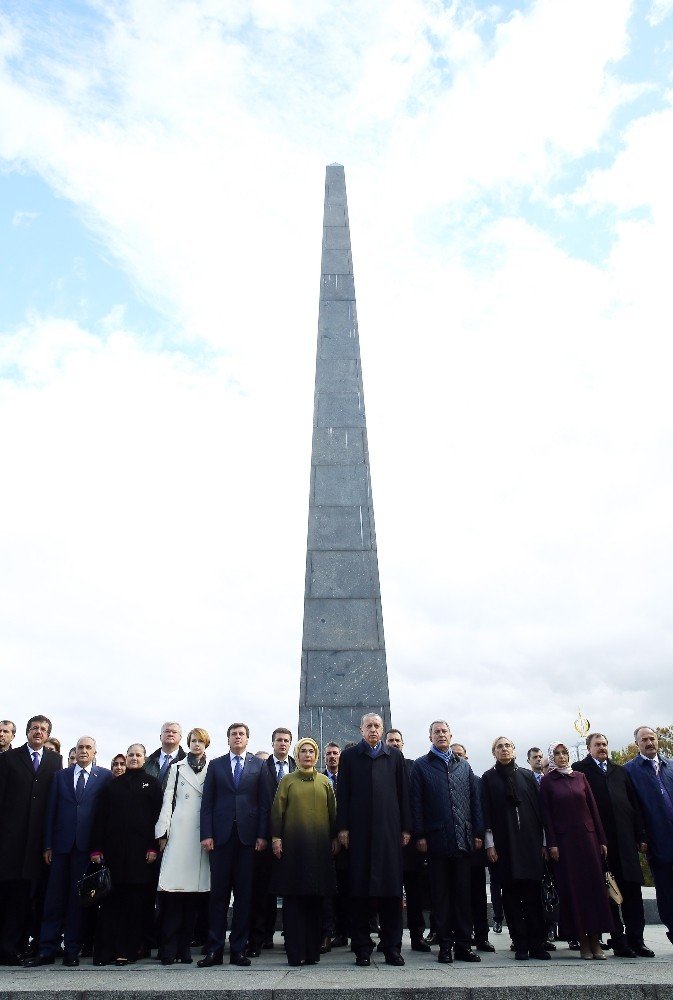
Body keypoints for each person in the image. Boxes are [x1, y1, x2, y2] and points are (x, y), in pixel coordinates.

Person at [25, 736, 111, 967]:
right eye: (80, 747)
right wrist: (47, 845)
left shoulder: (104, 777)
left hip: (85, 849)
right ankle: (46, 949)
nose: (84, 751)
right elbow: (50, 811)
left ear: (95, 752)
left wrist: (99, 847)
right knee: (53, 899)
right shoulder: (60, 776)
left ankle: (72, 949)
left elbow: (104, 816)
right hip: (60, 848)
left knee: (77, 901)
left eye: (88, 748)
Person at [336, 712, 411, 967]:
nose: (373, 730)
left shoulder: (395, 757)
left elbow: (404, 795)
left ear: (383, 729)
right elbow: (343, 794)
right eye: (368, 726)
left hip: (389, 834)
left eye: (377, 726)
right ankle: (362, 948)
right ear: (361, 729)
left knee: (391, 894)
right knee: (359, 892)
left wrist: (406, 829)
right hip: (360, 834)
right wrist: (343, 827)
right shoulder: (349, 757)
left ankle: (392, 948)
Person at [198, 722, 274, 968]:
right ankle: (214, 950)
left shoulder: (259, 765)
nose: (237, 737)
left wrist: (263, 835)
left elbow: (264, 805)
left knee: (244, 897)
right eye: (233, 734)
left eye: (241, 734)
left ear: (247, 739)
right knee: (218, 897)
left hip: (248, 841)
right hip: (220, 839)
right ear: (228, 739)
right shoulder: (216, 764)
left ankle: (239, 950)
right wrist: (206, 834)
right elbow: (207, 802)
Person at [410, 720, 483, 965]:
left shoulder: (464, 766)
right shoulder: (421, 766)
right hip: (436, 840)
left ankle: (464, 945)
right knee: (440, 898)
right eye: (436, 732)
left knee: (463, 896)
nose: (441, 735)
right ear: (429, 736)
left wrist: (478, 833)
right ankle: (445, 946)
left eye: (444, 731)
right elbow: (416, 803)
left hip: (462, 839)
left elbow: (474, 802)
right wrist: (419, 834)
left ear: (451, 735)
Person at [573, 732, 652, 958]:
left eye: (605, 744)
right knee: (609, 893)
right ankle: (618, 939)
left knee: (632, 893)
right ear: (589, 748)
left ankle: (637, 939)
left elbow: (633, 805)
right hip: (601, 844)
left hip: (626, 842)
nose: (602, 748)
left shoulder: (620, 771)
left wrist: (641, 836)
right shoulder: (581, 771)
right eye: (597, 745)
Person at [539, 741, 613, 960]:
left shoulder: (580, 777)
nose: (561, 757)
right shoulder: (547, 781)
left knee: (594, 889)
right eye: (557, 754)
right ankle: (582, 940)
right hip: (565, 843)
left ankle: (596, 939)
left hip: (588, 839)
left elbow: (593, 809)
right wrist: (551, 843)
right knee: (574, 890)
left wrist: (601, 838)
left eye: (564, 753)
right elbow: (546, 816)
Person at [91, 744, 163, 965]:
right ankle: (105, 952)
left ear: (144, 759)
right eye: (130, 754)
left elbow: (157, 819)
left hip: (140, 856)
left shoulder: (152, 784)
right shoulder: (112, 786)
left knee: (134, 904)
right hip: (113, 854)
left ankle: (128, 951)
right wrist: (96, 849)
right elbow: (100, 819)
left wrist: (153, 847)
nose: (133, 758)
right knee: (111, 903)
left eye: (138, 755)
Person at [0, 715, 62, 965]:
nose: (39, 732)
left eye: (43, 729)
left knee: (27, 898)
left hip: (37, 843)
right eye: (34, 728)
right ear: (26, 732)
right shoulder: (8, 759)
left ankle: (17, 947)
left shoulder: (54, 761)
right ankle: (4, 948)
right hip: (10, 840)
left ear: (48, 735)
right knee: (6, 894)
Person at [480, 736, 549, 961]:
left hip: (529, 844)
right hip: (504, 846)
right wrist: (490, 845)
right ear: (494, 753)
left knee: (533, 896)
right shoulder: (488, 779)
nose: (504, 750)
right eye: (499, 747)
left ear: (514, 750)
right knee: (510, 897)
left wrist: (545, 843)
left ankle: (537, 943)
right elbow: (486, 813)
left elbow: (541, 811)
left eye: (507, 746)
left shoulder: (527, 776)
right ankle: (519, 943)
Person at [270, 737, 337, 966]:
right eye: (303, 751)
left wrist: (335, 838)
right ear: (297, 755)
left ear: (316, 756)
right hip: (293, 848)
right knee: (294, 902)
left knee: (315, 902)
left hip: (318, 850)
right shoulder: (287, 781)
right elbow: (277, 811)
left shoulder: (324, 782)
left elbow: (333, 813)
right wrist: (276, 837)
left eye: (311, 751)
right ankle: (294, 952)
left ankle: (311, 953)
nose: (307, 755)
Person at [155, 728, 210, 965]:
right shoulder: (177, 769)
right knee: (173, 896)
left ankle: (184, 948)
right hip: (179, 835)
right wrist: (162, 831)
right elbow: (168, 800)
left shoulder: (213, 769)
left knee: (193, 898)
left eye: (201, 741)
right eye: (193, 740)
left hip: (200, 838)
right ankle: (168, 949)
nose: (197, 744)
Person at [248, 727, 297, 955]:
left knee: (291, 888)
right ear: (273, 743)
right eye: (279, 740)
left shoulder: (298, 768)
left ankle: (292, 937)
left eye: (287, 740)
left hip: (293, 838)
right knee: (262, 891)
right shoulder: (261, 768)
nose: (283, 744)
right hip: (266, 838)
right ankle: (261, 938)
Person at [625, 726, 673, 948]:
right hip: (657, 839)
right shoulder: (630, 771)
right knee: (666, 889)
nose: (649, 742)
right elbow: (633, 808)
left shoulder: (670, 766)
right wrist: (641, 836)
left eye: (652, 738)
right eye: (644, 740)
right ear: (637, 744)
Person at [386, 728, 429, 952]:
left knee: (415, 893)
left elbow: (420, 802)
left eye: (397, 740)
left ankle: (417, 935)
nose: (394, 744)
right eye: (390, 741)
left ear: (403, 743)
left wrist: (417, 833)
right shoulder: (381, 766)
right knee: (389, 893)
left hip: (411, 841)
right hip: (388, 841)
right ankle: (388, 937)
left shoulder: (414, 766)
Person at [450, 741, 495, 954]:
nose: (457, 757)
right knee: (458, 894)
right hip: (456, 847)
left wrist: (480, 837)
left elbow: (482, 812)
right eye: (454, 754)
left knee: (478, 894)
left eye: (461, 754)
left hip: (474, 847)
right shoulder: (446, 781)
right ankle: (461, 935)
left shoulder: (477, 781)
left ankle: (482, 936)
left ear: (466, 758)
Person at [145, 723, 186, 792]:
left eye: (174, 732)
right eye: (167, 731)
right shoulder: (147, 762)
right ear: (160, 736)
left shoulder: (187, 761)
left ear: (180, 737)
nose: (170, 734)